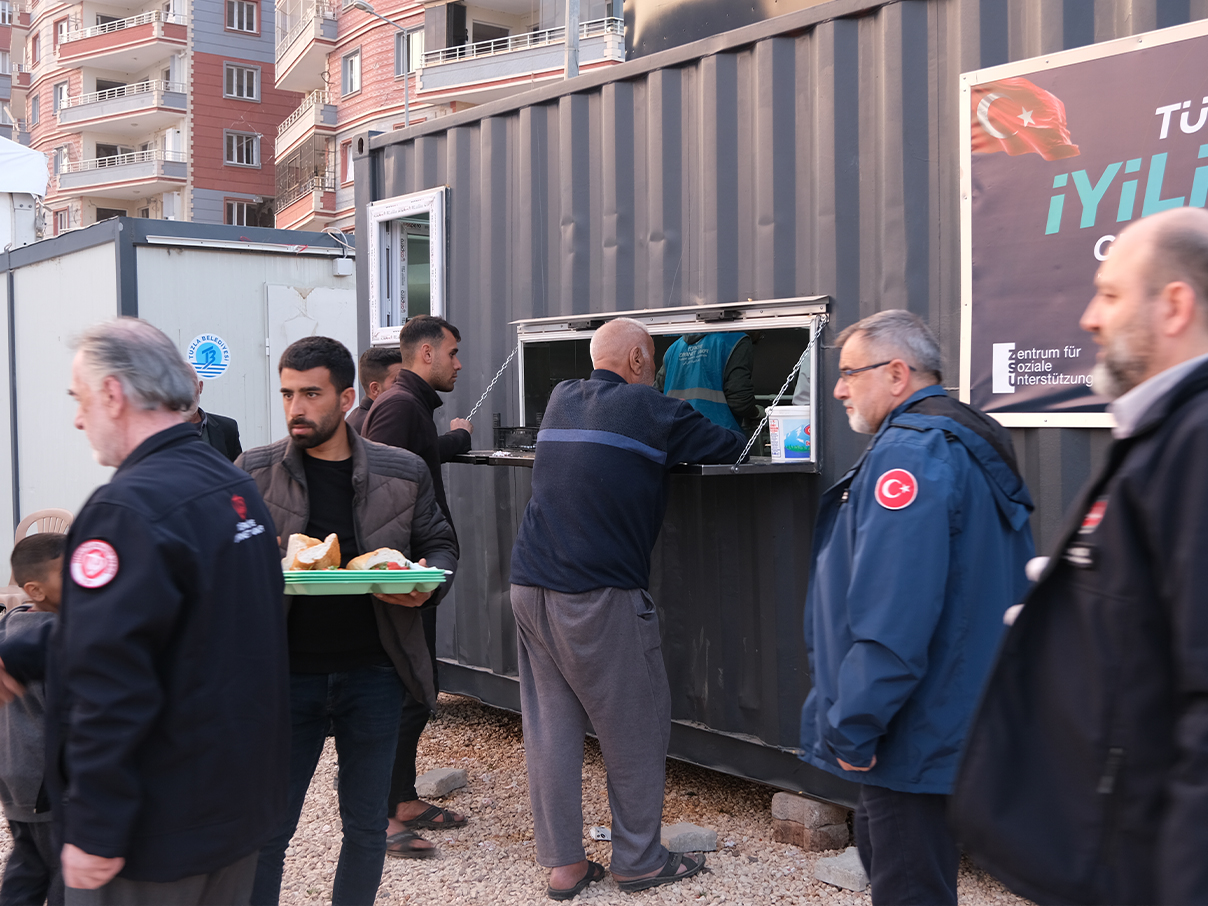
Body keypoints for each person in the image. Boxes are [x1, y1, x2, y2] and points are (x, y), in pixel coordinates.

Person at [952, 207, 1208, 905]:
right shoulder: (1159, 433)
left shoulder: (1196, 439)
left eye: (1112, 293)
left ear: (1176, 305)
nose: (1091, 317)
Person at [0, 317, 290, 904]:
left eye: (80, 400)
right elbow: (157, 634)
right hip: (233, 814)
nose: (79, 419)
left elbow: (109, 682)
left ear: (112, 393)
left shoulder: (126, 510)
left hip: (153, 838)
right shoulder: (229, 486)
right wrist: (17, 650)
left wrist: (94, 830)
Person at [798, 309, 1034, 906]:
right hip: (948, 716)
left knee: (906, 884)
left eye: (850, 372)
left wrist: (854, 725)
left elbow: (892, 616)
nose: (838, 388)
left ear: (897, 374)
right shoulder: (963, 442)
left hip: (910, 728)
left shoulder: (910, 455)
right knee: (898, 864)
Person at [509, 317, 747, 900]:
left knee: (551, 726)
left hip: (528, 584)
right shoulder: (657, 413)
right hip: (598, 596)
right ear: (640, 363)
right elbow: (735, 443)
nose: (660, 375)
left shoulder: (562, 398)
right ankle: (638, 862)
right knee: (635, 726)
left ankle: (564, 865)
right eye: (657, 365)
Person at [239, 336, 459, 905]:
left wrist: (425, 585)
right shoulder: (254, 471)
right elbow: (223, 553)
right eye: (287, 393)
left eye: (311, 394)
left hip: (375, 675)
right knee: (267, 833)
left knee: (365, 829)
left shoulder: (401, 470)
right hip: (286, 678)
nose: (295, 408)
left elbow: (439, 542)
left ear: (346, 397)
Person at [362, 315, 472, 857]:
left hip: (417, 577)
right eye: (452, 353)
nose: (458, 363)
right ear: (425, 354)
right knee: (404, 693)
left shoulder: (412, 408)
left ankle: (402, 798)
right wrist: (399, 572)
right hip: (400, 584)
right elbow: (374, 491)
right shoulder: (400, 408)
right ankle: (381, 815)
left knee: (416, 691)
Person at [0, 533, 66, 906]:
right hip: (48, 783)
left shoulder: (11, 624)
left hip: (14, 781)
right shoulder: (56, 639)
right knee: (65, 875)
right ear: (35, 589)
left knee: (28, 865)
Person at [656, 332, 758, 432]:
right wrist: (757, 413)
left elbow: (655, 395)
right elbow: (740, 403)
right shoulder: (734, 342)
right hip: (717, 438)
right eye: (761, 335)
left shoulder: (673, 349)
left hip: (677, 436)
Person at [347, 346, 403, 435]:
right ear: (375, 389)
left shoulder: (355, 418)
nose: (404, 385)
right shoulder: (379, 423)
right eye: (397, 381)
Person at [186, 376, 242, 461]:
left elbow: (237, 471)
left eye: (190, 384)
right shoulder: (160, 430)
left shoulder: (227, 428)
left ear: (200, 387)